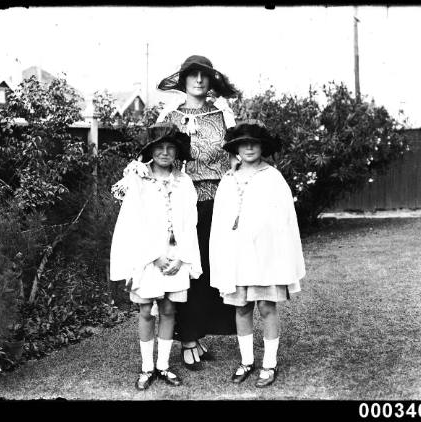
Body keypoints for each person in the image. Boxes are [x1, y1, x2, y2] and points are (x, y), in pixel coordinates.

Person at [153, 55, 239, 370]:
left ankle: (198, 332)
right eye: (193, 75)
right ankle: (187, 337)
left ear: (211, 81)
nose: (199, 81)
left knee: (211, 270)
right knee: (187, 267)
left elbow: (236, 157)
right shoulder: (170, 115)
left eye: (205, 75)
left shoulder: (223, 115)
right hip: (182, 200)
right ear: (184, 80)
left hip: (219, 199)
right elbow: (160, 157)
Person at [209, 120, 306, 388]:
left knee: (265, 306)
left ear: (262, 147)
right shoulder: (228, 179)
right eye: (243, 143)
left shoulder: (272, 177)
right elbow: (221, 222)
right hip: (237, 256)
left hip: (265, 256)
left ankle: (269, 364)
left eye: (254, 143)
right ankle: (247, 361)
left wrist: (273, 249)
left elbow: (284, 220)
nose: (249, 147)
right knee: (241, 308)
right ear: (236, 148)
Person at [110, 122, 201, 391]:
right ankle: (147, 368)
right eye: (159, 147)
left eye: (170, 148)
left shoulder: (184, 182)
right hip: (148, 256)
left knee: (170, 308)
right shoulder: (139, 178)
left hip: (176, 254)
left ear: (176, 152)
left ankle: (163, 366)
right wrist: (154, 255)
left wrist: (182, 255)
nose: (164, 152)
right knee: (146, 310)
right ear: (151, 151)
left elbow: (189, 221)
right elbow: (133, 222)